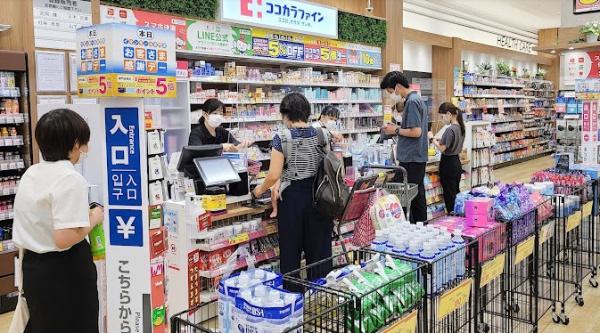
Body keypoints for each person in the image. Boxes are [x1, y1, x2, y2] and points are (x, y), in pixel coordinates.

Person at [12, 108, 103, 333]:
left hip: (33, 268)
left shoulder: (31, 173)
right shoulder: (70, 178)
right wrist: (94, 218)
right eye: (83, 142)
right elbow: (64, 238)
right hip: (65, 272)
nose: (85, 149)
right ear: (74, 142)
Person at [253, 92, 332, 286]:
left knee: (291, 251)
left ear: (285, 114)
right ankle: (321, 296)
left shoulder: (282, 137)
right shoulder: (322, 133)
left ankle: (293, 300)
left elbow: (273, 175)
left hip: (292, 200)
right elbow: (328, 164)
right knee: (320, 251)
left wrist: (257, 191)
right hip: (320, 197)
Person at [380, 71, 429, 223]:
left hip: (411, 158)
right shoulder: (416, 99)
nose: (391, 95)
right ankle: (421, 227)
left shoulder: (412, 102)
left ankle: (413, 227)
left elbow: (416, 132)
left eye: (390, 92)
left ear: (398, 86)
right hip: (416, 156)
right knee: (417, 195)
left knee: (409, 198)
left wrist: (394, 130)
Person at [429, 102, 465, 214]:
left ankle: (452, 218)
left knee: (449, 196)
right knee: (455, 192)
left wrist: (431, 139)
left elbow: (442, 148)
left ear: (449, 114)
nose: (441, 119)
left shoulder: (450, 129)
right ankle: (458, 215)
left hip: (448, 164)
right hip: (456, 163)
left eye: (442, 116)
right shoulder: (461, 127)